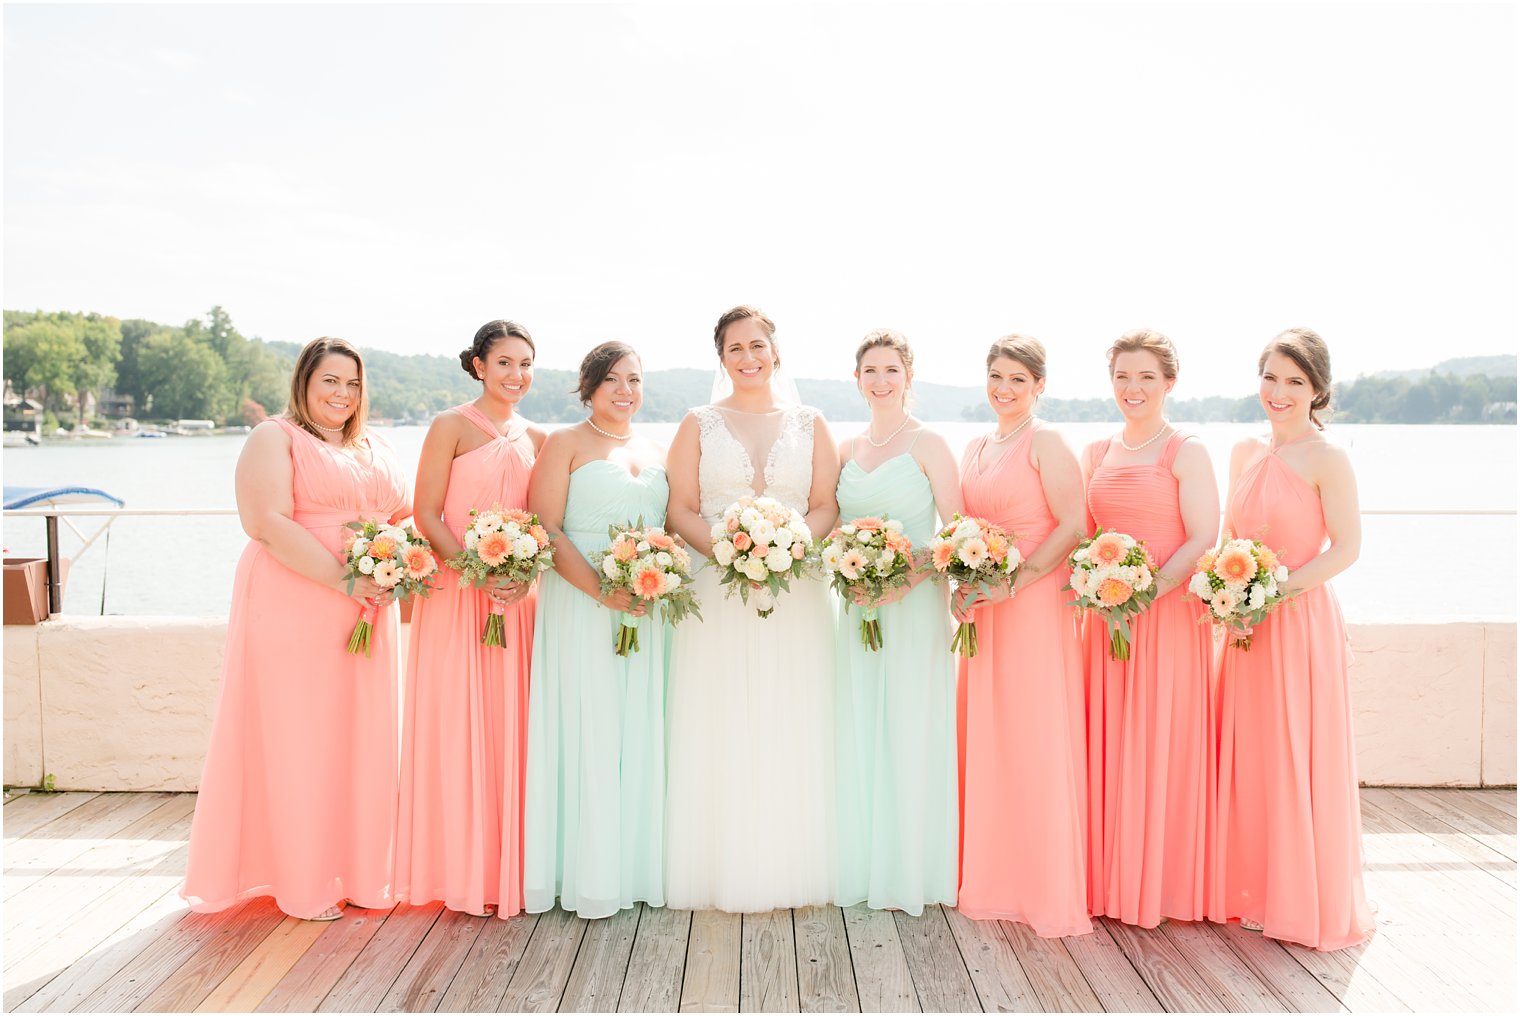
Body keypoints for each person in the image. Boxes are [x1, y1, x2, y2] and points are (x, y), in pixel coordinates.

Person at [182, 337, 408, 921]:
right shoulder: (274, 437)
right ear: (305, 382)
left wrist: (403, 562)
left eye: (352, 383)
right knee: (301, 736)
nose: (342, 393)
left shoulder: (374, 444)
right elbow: (264, 522)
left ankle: (361, 873)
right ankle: (303, 883)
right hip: (298, 599)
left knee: (365, 734)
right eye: (330, 380)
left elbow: (404, 515)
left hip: (371, 601)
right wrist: (343, 580)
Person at [663, 305, 840, 912]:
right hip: (719, 587)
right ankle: (722, 862)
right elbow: (680, 508)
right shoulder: (698, 422)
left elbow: (825, 505)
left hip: (797, 589)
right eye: (735, 348)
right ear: (721, 359)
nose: (749, 357)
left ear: (776, 351)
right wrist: (732, 550)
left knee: (792, 710)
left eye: (758, 345)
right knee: (722, 712)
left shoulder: (811, 421)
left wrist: (789, 545)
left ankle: (794, 861)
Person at [1210, 327, 1374, 950]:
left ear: (1318, 390)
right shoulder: (1243, 453)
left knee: (1294, 750)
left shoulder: (1328, 458)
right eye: (1271, 378)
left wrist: (1274, 594)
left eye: (1295, 382)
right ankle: (1250, 887)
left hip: (1297, 622)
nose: (1279, 392)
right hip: (1241, 620)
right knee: (1248, 749)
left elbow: (1348, 547)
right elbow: (1228, 537)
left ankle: (1301, 896)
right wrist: (1223, 595)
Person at [395, 320, 545, 919]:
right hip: (458, 592)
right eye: (505, 362)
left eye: (526, 364)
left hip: (518, 597)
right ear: (479, 365)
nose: (516, 375)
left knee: (515, 726)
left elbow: (541, 520)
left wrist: (524, 573)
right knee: (457, 722)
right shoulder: (450, 426)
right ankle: (455, 867)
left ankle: (515, 865)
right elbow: (425, 512)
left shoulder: (539, 436)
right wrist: (471, 570)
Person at [522, 342, 670, 918]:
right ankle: (583, 873)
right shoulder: (565, 444)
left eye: (634, 379)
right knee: (590, 723)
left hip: (644, 605)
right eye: (612, 379)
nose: (625, 390)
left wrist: (653, 576)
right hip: (583, 603)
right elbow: (548, 529)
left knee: (634, 725)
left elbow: (668, 527)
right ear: (588, 386)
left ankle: (630, 867)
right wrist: (603, 590)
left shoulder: (657, 448)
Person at [954, 335, 1091, 936]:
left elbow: (1074, 524)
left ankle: (1041, 883)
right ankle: (992, 871)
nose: (1004, 389)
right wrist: (961, 581)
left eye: (1017, 379)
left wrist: (1018, 582)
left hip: (1032, 605)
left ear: (1039, 385)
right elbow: (964, 528)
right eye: (996, 376)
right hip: (987, 603)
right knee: (992, 734)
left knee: (1033, 734)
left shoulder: (1048, 441)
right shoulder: (977, 444)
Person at [1083, 328, 1219, 928]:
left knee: (1160, 739)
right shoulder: (1096, 452)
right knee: (1110, 740)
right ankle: (1106, 875)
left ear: (1169, 383)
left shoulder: (1185, 450)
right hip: (1105, 618)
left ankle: (1159, 883)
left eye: (1145, 377)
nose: (1132, 389)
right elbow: (1086, 535)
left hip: (1162, 616)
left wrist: (1149, 591)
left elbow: (1203, 537)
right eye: (1121, 377)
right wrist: (1098, 588)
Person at [833, 329, 962, 916]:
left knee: (910, 722)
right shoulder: (846, 448)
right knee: (860, 723)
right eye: (870, 371)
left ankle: (913, 867)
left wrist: (903, 580)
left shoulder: (929, 443)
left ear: (909, 377)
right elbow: (831, 527)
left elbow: (958, 535)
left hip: (912, 605)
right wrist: (854, 575)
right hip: (857, 604)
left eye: (891, 370)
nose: (881, 381)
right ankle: (862, 862)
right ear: (856, 380)